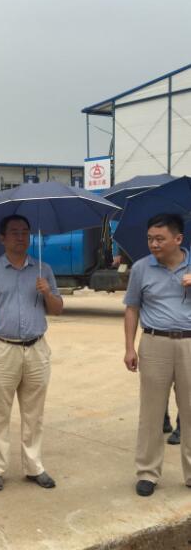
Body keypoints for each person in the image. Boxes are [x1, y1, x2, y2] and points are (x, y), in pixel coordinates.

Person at [0, 215, 63, 492]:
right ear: (2, 238)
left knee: (34, 413)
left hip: (36, 349)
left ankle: (34, 467)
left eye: (25, 232)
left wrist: (47, 292)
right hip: (2, 349)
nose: (21, 237)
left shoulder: (43, 270)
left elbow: (57, 309)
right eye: (14, 232)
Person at [123, 213, 191, 497]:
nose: (153, 244)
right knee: (151, 412)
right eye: (150, 238)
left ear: (178, 239)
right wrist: (129, 347)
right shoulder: (141, 268)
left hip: (189, 343)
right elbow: (132, 308)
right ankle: (147, 473)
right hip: (154, 343)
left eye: (160, 239)